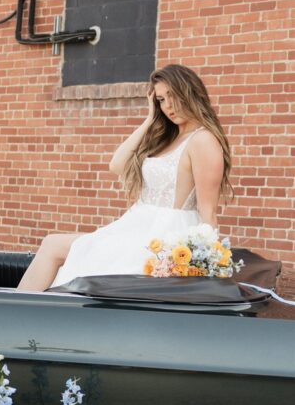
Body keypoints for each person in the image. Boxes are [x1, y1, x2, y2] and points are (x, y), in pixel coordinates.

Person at [18, 64, 232, 291]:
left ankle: (10, 316)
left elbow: (208, 211)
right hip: (134, 227)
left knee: (53, 246)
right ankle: (16, 314)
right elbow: (117, 164)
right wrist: (150, 118)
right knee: (52, 245)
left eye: (172, 96)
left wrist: (211, 267)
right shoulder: (169, 137)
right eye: (160, 100)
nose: (167, 106)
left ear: (189, 92)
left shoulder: (203, 140)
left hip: (162, 236)